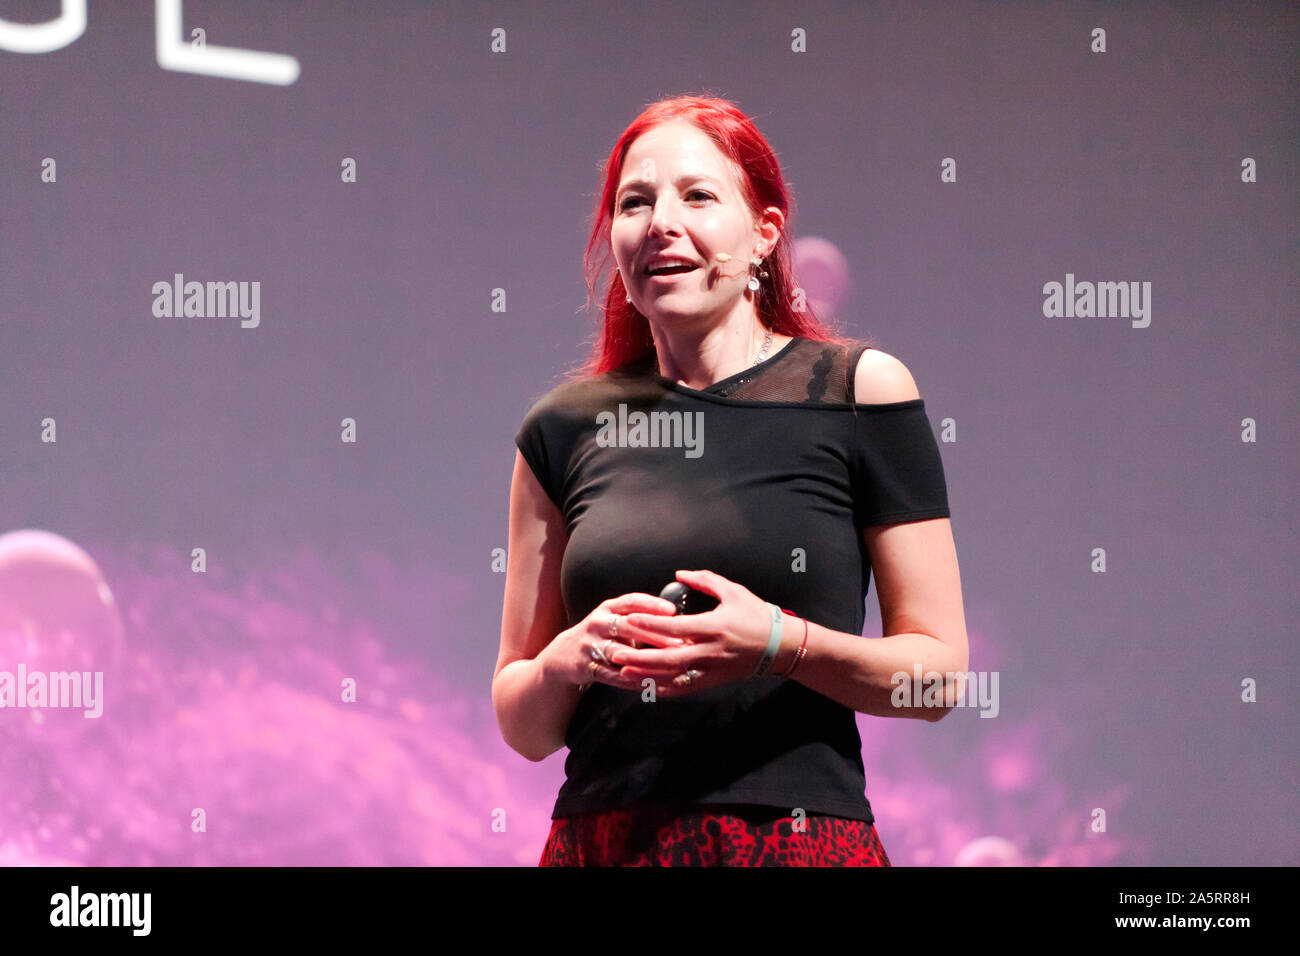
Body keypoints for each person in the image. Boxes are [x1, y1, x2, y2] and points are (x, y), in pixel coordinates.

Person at [493, 94, 968, 866]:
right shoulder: (563, 426)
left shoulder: (858, 393)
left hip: (797, 843)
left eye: (698, 196)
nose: (660, 223)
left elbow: (937, 679)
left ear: (764, 234)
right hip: (606, 845)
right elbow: (525, 726)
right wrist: (567, 658)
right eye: (635, 203)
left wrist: (779, 643)